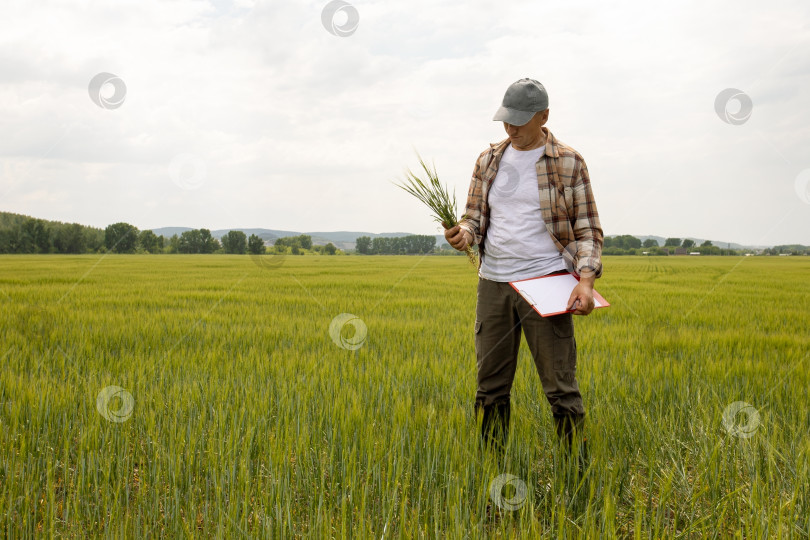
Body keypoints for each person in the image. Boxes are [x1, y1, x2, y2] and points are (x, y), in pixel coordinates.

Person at [444, 78, 603, 469]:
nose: (510, 129)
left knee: (560, 388)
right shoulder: (488, 160)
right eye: (506, 121)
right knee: (490, 387)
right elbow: (474, 217)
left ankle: (575, 474)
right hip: (493, 283)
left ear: (543, 116)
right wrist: (464, 234)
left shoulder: (568, 162)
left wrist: (585, 281)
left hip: (546, 284)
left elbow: (588, 230)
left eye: (519, 121)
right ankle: (491, 471)